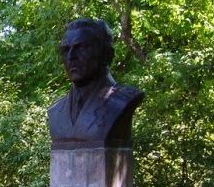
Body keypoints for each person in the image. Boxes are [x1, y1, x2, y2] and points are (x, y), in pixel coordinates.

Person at [48, 19, 144, 149]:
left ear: (107, 54)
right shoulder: (56, 111)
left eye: (81, 47)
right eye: (65, 50)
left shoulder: (122, 101)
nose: (71, 56)